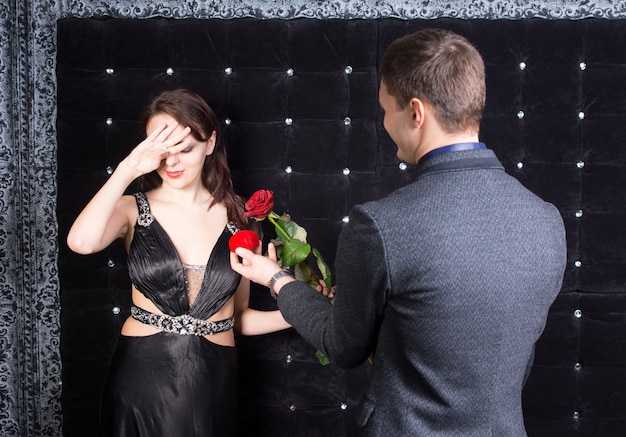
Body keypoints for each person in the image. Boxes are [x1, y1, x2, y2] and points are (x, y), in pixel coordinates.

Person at [230, 28, 567, 436]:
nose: (385, 123)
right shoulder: (547, 219)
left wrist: (277, 279)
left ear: (415, 113)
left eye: (386, 109)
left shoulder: (380, 225)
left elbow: (342, 346)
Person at [67, 89, 291, 437]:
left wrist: (303, 311)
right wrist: (129, 168)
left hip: (212, 385)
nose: (171, 163)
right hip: (141, 381)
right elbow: (80, 242)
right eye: (162, 151)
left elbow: (238, 318)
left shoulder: (241, 219)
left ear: (210, 142)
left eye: (185, 149)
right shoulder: (131, 208)